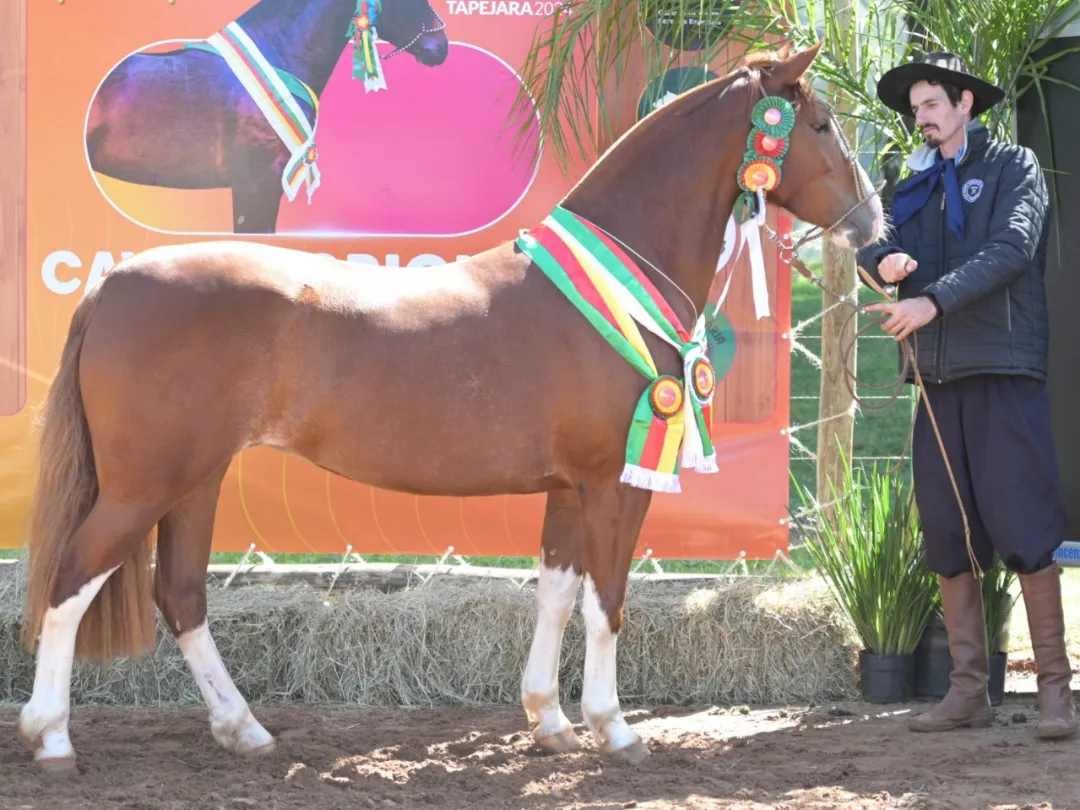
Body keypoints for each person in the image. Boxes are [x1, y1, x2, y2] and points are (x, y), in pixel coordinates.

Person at [857, 52, 1077, 739]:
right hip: (936, 379)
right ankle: (967, 690)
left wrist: (930, 302)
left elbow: (1013, 249)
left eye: (930, 104)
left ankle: (1055, 695)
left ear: (964, 104)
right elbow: (875, 243)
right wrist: (882, 261)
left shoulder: (1015, 167)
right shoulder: (910, 184)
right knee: (948, 532)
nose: (920, 117)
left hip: (1004, 369)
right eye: (914, 108)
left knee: (1024, 523)